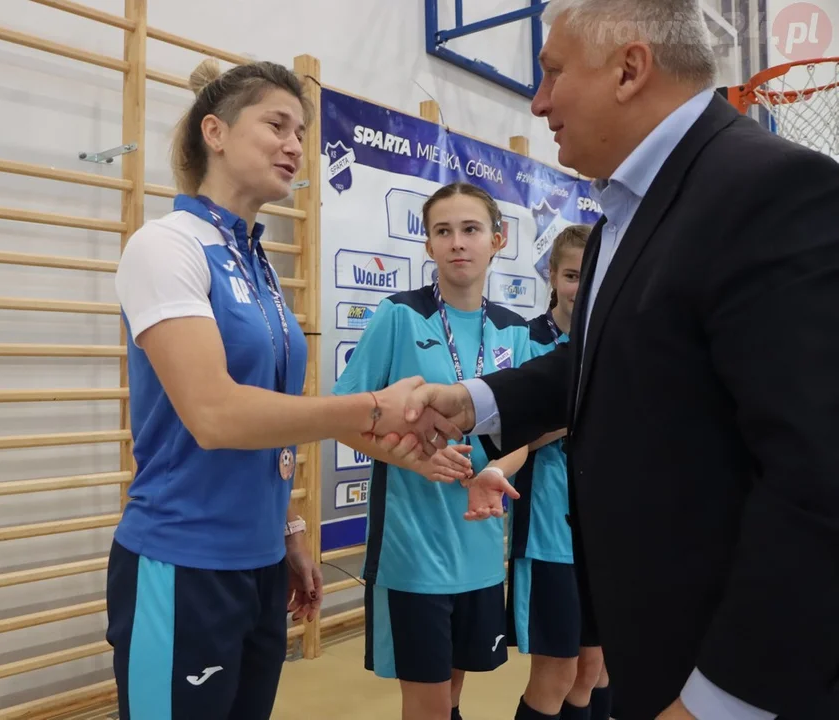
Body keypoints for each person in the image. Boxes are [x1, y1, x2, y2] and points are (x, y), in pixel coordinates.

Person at [380, 1, 839, 718]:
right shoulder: (621, 222)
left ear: (629, 69)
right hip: (650, 641)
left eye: (553, 73)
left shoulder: (768, 190)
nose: (538, 101)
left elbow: (820, 476)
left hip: (731, 670)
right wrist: (476, 401)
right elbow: (604, 362)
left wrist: (722, 699)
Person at [109, 59, 460, 720]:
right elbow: (214, 414)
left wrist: (290, 527)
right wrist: (372, 406)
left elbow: (279, 415)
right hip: (183, 562)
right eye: (277, 124)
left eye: (301, 130)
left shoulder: (256, 260)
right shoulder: (166, 247)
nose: (296, 144)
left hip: (261, 562)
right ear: (214, 131)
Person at [331, 182, 528, 720]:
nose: (457, 243)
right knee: (429, 706)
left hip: (481, 547)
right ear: (428, 245)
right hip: (413, 551)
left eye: (470, 230)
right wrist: (412, 459)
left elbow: (524, 436)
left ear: (497, 239)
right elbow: (343, 418)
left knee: (455, 697)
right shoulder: (399, 317)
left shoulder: (515, 330)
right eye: (443, 231)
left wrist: (498, 471)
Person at [505, 224, 610, 720]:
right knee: (559, 672)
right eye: (571, 274)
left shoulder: (611, 340)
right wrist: (571, 412)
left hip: (606, 531)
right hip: (549, 532)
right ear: (551, 275)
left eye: (591, 274)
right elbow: (510, 437)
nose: (581, 286)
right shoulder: (525, 341)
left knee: (596, 668)